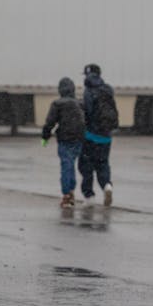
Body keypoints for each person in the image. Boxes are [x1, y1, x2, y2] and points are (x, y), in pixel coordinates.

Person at [40, 78, 86, 208]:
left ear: (60, 90)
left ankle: (67, 194)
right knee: (71, 164)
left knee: (66, 165)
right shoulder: (80, 103)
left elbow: (50, 123)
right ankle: (71, 191)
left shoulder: (57, 104)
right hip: (79, 139)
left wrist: (45, 138)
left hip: (65, 139)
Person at [80, 63, 117, 206]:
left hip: (90, 136)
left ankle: (89, 196)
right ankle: (107, 185)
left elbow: (88, 112)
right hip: (106, 136)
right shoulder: (108, 90)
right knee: (103, 164)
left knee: (86, 165)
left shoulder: (88, 91)